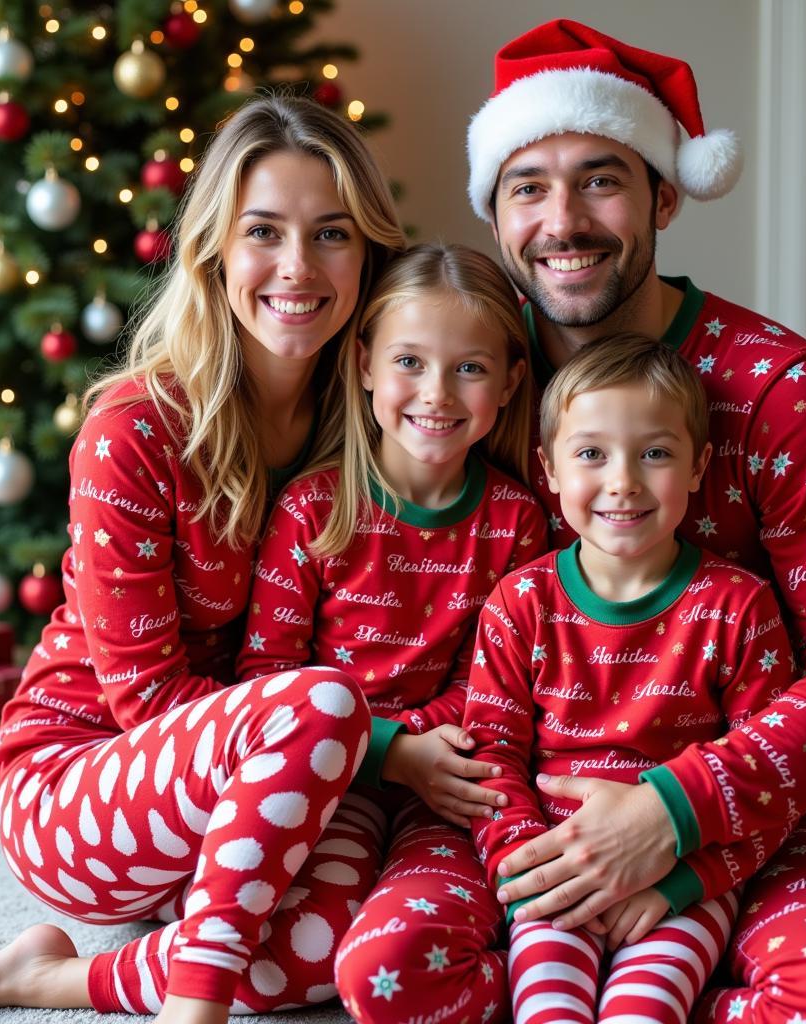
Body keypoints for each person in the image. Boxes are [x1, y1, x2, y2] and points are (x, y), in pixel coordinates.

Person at [464, 18, 806, 1022]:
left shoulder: (777, 389)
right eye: (527, 185)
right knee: (387, 971)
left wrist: (680, 810)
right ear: (495, 213)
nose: (563, 218)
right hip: (507, 817)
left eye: (601, 178)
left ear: (664, 193)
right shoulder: (462, 381)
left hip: (744, 816)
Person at [0, 94, 406, 1024]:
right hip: (84, 781)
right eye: (263, 231)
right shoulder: (136, 430)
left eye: (332, 234)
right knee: (326, 703)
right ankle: (193, 1005)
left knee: (357, 949)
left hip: (275, 778)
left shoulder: (374, 420)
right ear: (214, 251)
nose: (298, 268)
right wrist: (383, 747)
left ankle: (43, 981)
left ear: (372, 255)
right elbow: (145, 700)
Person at [233, 242, 548, 1024]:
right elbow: (264, 680)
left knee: (409, 950)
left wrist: (423, 758)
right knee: (267, 959)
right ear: (367, 363)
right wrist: (387, 752)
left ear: (510, 382)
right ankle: (64, 981)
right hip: (325, 781)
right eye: (410, 361)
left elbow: (501, 684)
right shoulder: (312, 512)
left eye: (470, 369)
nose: (437, 394)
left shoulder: (515, 523)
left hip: (453, 783)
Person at [466, 336, 799, 1024]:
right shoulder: (519, 603)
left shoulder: (739, 606)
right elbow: (491, 758)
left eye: (655, 453)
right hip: (553, 870)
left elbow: (770, 782)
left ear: (699, 466)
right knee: (548, 1009)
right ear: (550, 469)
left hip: (683, 876)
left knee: (645, 1012)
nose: (623, 481)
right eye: (591, 454)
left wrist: (686, 882)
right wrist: (534, 872)